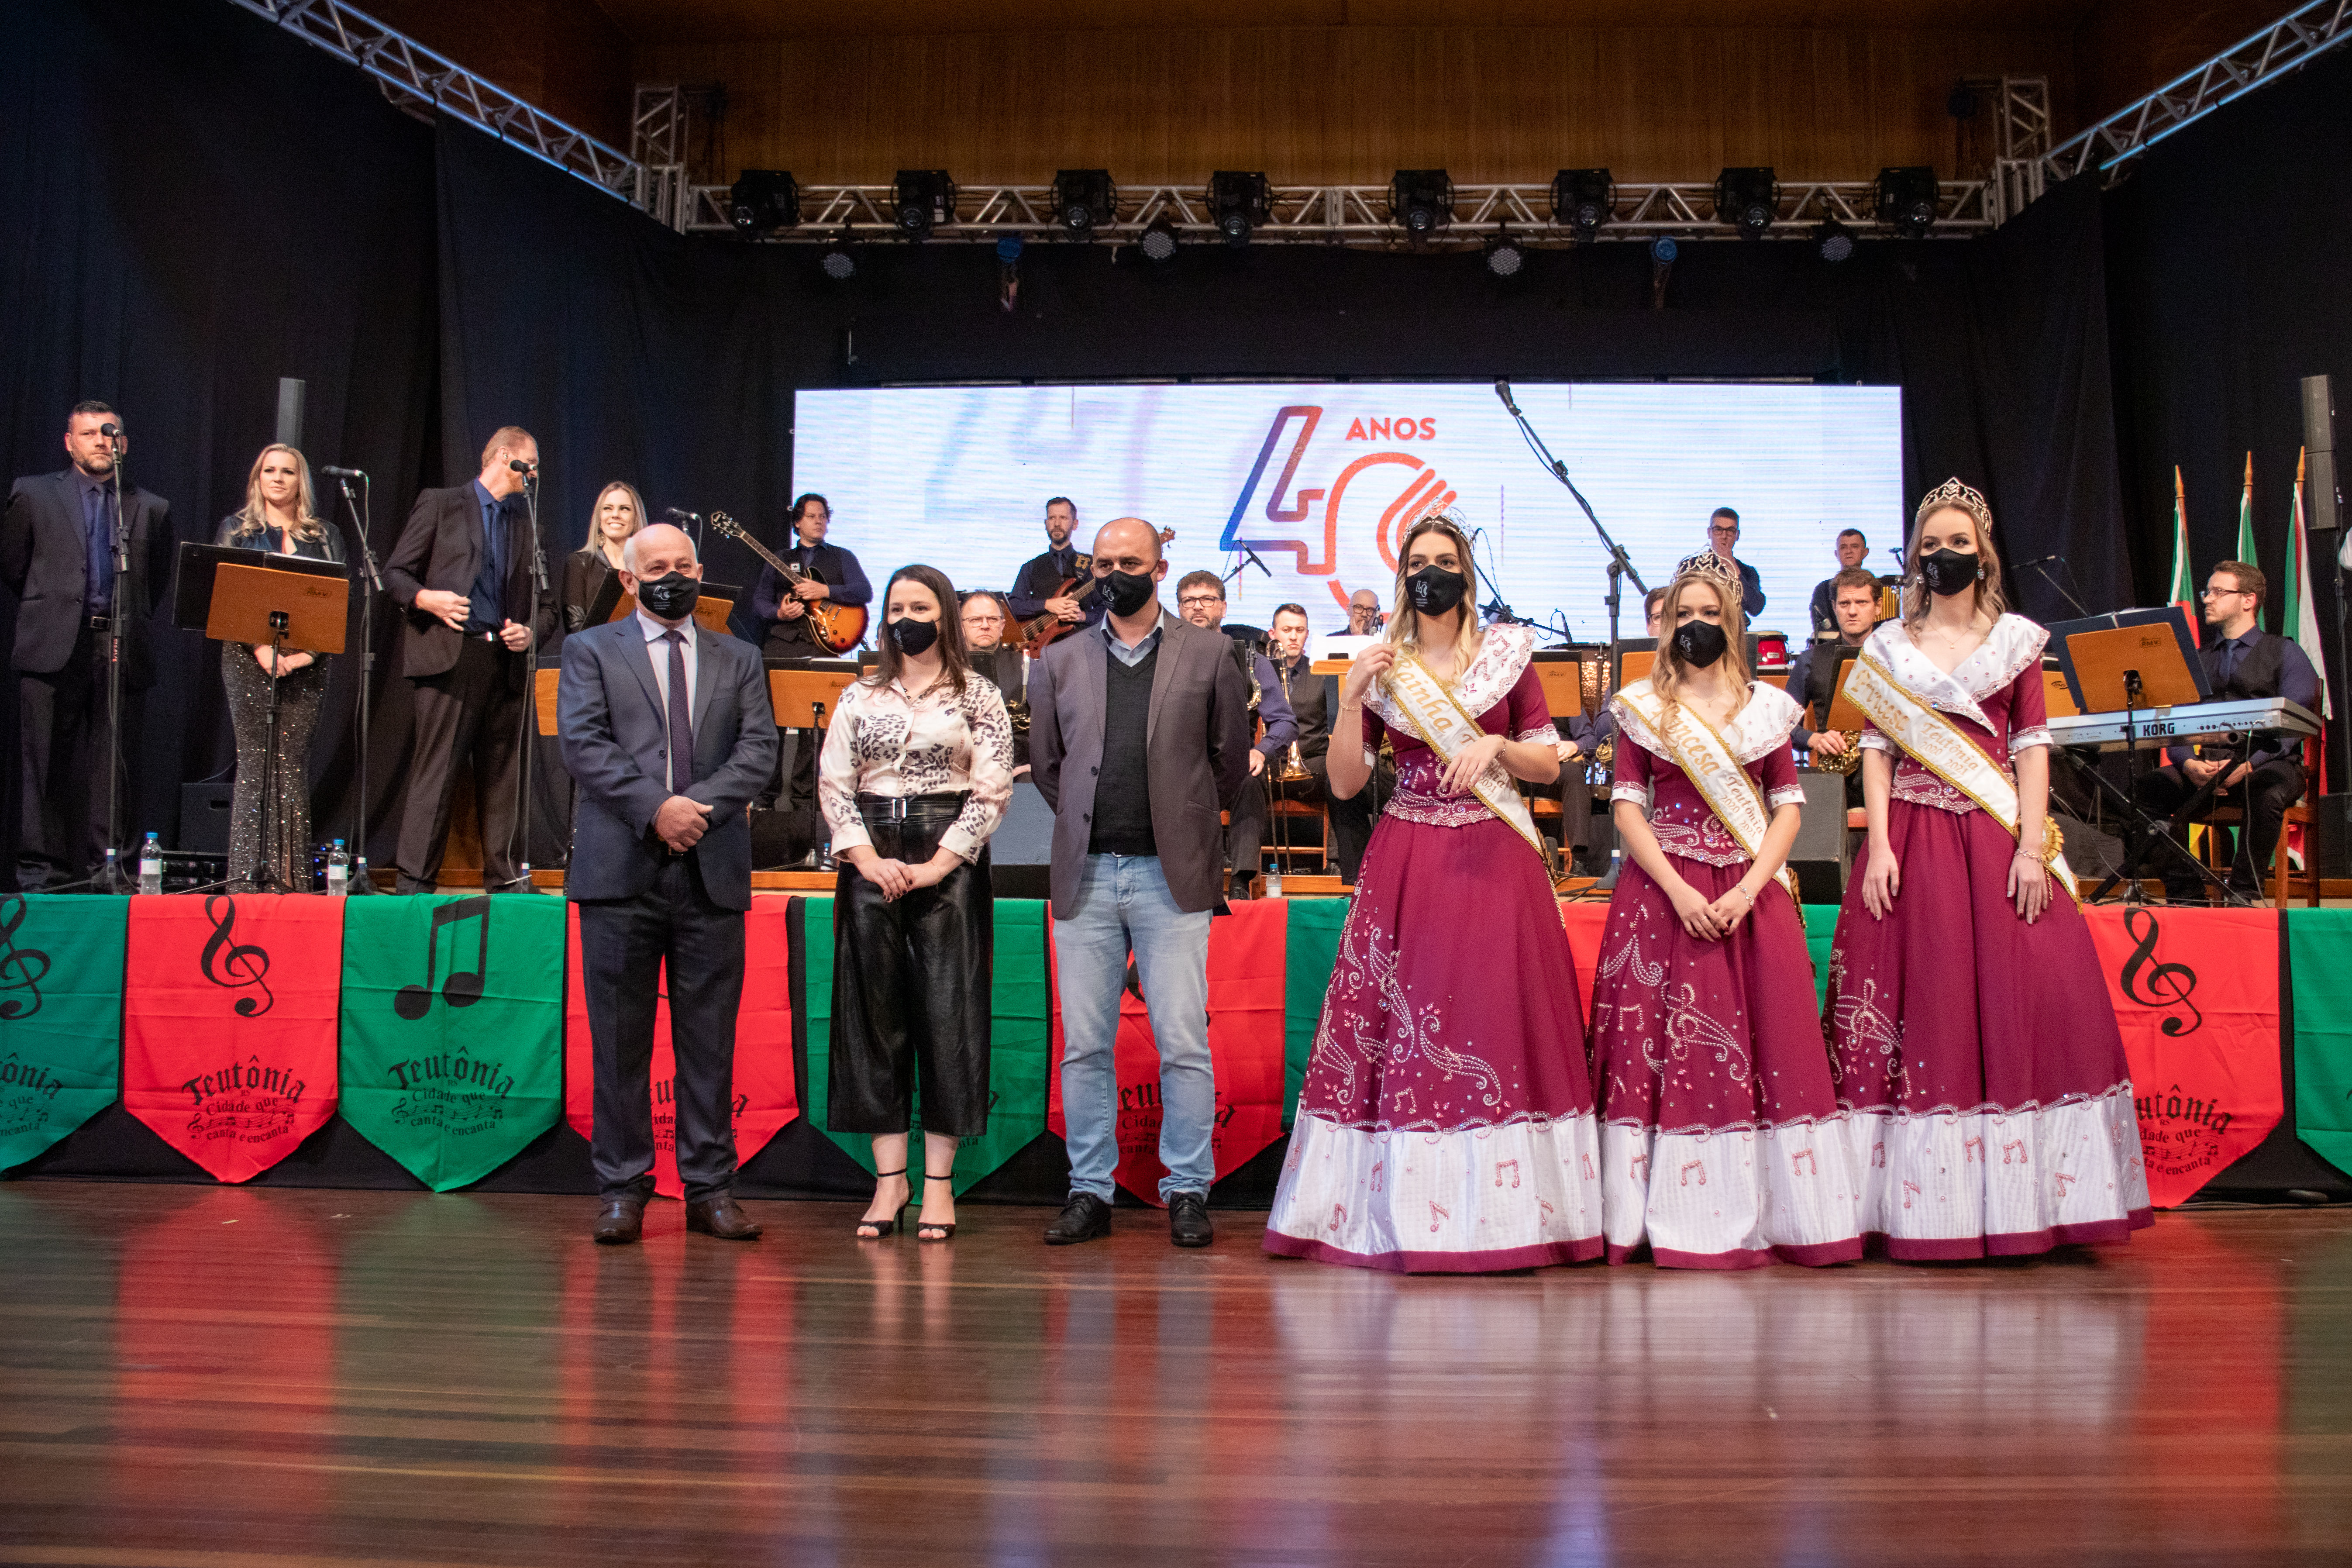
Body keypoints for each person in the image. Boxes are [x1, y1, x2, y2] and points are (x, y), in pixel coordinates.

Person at [1262, 512, 1601, 1273]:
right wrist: (1352, 697)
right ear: (1401, 576)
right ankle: (1406, 1210)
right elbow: (1344, 782)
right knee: (1410, 1024)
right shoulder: (1383, 665)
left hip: (1496, 854)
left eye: (1444, 561)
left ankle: (1511, 1213)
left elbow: (1547, 765)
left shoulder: (1506, 657)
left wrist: (1496, 744)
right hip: (1409, 857)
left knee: (1496, 1015)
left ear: (1466, 576)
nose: (1431, 574)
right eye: (1418, 562)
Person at [1823, 478, 2150, 1260]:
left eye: (1957, 543)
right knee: (1916, 996)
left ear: (1983, 554)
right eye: (1931, 544)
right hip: (1913, 836)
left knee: (2027, 991)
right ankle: (1913, 1204)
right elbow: (1875, 750)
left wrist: (2032, 846)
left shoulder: (2016, 642)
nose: (1944, 555)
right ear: (1915, 556)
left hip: (1994, 836)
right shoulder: (1886, 646)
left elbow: (2030, 748)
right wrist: (1879, 845)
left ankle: (2026, 1199)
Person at [1588, 558, 1861, 1268]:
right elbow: (1627, 807)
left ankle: (1767, 1210)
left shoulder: (1765, 708)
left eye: (1709, 614)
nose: (1696, 625)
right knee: (1654, 1049)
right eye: (1684, 614)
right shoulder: (1642, 707)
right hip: (1661, 894)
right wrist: (1678, 891)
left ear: (1731, 622)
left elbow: (1787, 808)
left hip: (1747, 893)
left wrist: (1746, 891)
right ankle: (1650, 1214)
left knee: (1765, 1042)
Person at [1029, 518, 1252, 1248]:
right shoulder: (1058, 658)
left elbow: (1228, 761)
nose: (1114, 573)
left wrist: (1185, 818)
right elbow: (1049, 767)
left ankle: (1187, 1187)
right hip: (1086, 873)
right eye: (1103, 563)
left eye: (1130, 562)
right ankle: (1088, 1189)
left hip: (1170, 874)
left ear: (1160, 569)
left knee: (1182, 1041)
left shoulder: (1211, 652)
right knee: (1084, 1046)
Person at [559, 522, 778, 1245]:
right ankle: (622, 1189)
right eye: (656, 568)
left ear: (701, 571)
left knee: (709, 1044)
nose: (672, 577)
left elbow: (759, 750)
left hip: (710, 871)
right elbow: (583, 744)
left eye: (683, 565)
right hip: (619, 872)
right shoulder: (591, 650)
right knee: (619, 1043)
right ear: (628, 579)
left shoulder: (740, 655)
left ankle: (710, 1188)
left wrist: (694, 811)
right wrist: (657, 809)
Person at [821, 566, 1016, 1243]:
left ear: (945, 616)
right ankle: (888, 1181)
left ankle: (937, 1183)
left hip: (949, 855)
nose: (907, 617)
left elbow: (992, 788)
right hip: (869, 855)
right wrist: (865, 857)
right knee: (873, 1017)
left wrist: (938, 863)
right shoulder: (859, 693)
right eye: (897, 606)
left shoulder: (978, 693)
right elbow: (833, 784)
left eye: (920, 606)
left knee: (946, 1016)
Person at [2, 400, 172, 890]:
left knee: (115, 764)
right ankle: (43, 871)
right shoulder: (33, 493)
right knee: (45, 763)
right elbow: (13, 564)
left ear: (124, 444)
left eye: (110, 434)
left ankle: (110, 868)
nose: (101, 441)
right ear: (69, 443)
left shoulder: (150, 507)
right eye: (90, 434)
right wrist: (55, 605)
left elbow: (154, 581)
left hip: (119, 644)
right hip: (54, 640)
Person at [382, 425, 556, 893]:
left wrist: (530, 633)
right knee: (437, 771)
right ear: (503, 456)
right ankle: (415, 880)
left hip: (504, 660)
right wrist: (427, 599)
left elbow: (548, 607)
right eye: (530, 463)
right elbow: (395, 573)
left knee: (503, 775)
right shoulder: (442, 504)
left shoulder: (527, 522)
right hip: (451, 654)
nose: (534, 474)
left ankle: (505, 877)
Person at [2132, 561, 2320, 903]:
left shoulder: (2285, 652)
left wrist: (2247, 766)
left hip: (2266, 765)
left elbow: (2292, 725)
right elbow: (2177, 726)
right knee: (2143, 792)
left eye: (2218, 592)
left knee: (2267, 792)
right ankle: (2186, 892)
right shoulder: (2197, 660)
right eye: (2207, 592)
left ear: (2248, 600)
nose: (2207, 599)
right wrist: (2189, 763)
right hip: (2206, 769)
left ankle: (2241, 893)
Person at [214, 445, 346, 891]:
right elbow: (227, 596)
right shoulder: (236, 530)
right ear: (258, 479)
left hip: (309, 661)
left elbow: (338, 600)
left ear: (299, 481)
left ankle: (290, 879)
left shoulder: (324, 535)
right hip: (247, 659)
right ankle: (246, 881)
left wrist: (308, 654)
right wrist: (261, 650)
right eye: (268, 470)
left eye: (287, 471)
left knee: (292, 764)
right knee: (255, 762)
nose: (277, 478)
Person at [751, 493, 871, 846]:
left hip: (822, 647)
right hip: (782, 645)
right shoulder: (779, 559)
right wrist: (779, 612)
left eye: (823, 516)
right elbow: (759, 602)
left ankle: (808, 802)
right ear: (797, 522)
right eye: (812, 516)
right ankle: (767, 800)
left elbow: (863, 591)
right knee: (771, 723)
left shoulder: (842, 557)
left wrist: (825, 589)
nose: (819, 522)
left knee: (815, 726)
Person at [1174, 571, 1298, 897]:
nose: (1197, 607)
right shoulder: (1163, 658)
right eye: (1189, 601)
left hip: (1230, 764)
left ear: (1224, 607)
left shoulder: (1251, 660)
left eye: (1207, 599)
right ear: (1179, 608)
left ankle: (1241, 882)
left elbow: (1285, 722)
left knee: (1249, 780)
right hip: (1180, 764)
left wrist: (1261, 751)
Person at [1789, 566, 1881, 792]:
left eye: (1862, 602)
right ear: (1834, 607)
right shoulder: (1810, 660)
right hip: (1835, 783)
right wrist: (1813, 739)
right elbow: (1782, 724)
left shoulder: (1898, 658)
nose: (1852, 611)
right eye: (1844, 604)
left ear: (1878, 607)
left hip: (1888, 777)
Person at [560, 481, 646, 634]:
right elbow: (575, 627)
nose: (615, 515)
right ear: (599, 518)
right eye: (608, 508)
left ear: (636, 518)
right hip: (595, 648)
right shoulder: (580, 563)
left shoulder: (648, 567)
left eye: (625, 509)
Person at [1007, 496, 1097, 636]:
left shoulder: (1092, 565)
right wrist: (1047, 605)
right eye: (1052, 518)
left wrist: (1083, 616)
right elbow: (1014, 606)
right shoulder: (1030, 567)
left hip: (1082, 641)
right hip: (1042, 644)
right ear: (1046, 524)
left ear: (1075, 524)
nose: (1057, 524)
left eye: (1063, 518)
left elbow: (1108, 610)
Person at [961, 589, 1029, 770]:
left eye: (993, 619)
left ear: (1002, 625)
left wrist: (1033, 767)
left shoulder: (1026, 667)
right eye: (976, 620)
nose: (985, 626)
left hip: (1018, 770)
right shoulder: (946, 671)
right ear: (961, 627)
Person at [1678, 507, 1765, 619]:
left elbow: (1756, 608)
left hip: (1735, 628)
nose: (1724, 536)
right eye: (1718, 530)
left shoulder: (1748, 572)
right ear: (1709, 533)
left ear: (1737, 535)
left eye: (1730, 531)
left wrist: (1732, 566)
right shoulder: (1691, 565)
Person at [1807, 530, 1870, 637]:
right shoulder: (1823, 590)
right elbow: (1824, 632)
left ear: (1865, 552)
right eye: (1843, 547)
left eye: (1855, 546)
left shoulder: (1875, 588)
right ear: (1837, 554)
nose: (1849, 551)